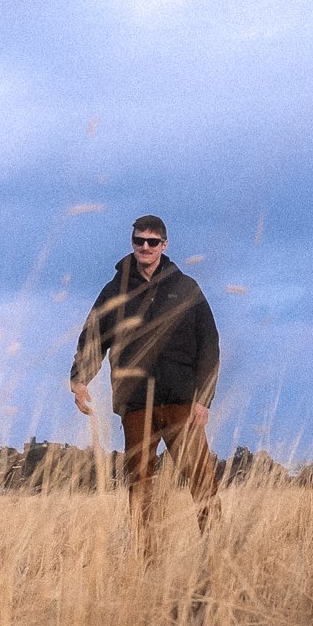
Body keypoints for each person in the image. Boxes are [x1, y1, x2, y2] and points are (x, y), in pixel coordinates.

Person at [70, 214, 220, 559]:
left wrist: (203, 399)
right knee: (139, 483)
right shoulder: (115, 290)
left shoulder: (186, 288)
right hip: (135, 401)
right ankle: (148, 558)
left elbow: (209, 344)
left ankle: (214, 551)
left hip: (181, 401)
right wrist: (80, 379)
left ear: (164, 246)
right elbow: (94, 335)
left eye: (152, 242)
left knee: (201, 478)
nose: (145, 248)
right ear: (133, 244)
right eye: (139, 241)